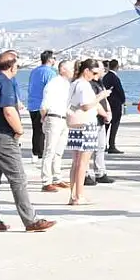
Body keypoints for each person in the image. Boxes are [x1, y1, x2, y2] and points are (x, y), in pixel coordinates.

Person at [0, 51, 56, 233]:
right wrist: (19, 130)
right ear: (12, 67)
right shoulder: (5, 83)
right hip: (2, 137)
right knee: (18, 178)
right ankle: (31, 220)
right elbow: (8, 111)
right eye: (17, 65)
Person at [67, 59, 112, 205]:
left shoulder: (73, 83)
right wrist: (101, 96)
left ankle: (73, 195)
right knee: (83, 162)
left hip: (75, 123)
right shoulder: (84, 85)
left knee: (76, 162)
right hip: (86, 124)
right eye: (93, 73)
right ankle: (79, 195)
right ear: (86, 71)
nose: (94, 76)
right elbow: (86, 105)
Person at [39, 61, 73, 192]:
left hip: (64, 118)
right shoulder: (53, 83)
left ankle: (57, 177)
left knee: (59, 151)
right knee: (50, 150)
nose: (73, 71)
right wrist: (44, 117)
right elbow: (44, 104)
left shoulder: (67, 84)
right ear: (63, 69)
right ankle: (46, 180)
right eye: (70, 68)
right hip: (54, 117)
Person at [86, 64, 115, 185]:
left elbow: (104, 101)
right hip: (93, 119)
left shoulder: (100, 83)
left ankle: (100, 172)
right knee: (88, 148)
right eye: (102, 68)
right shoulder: (90, 84)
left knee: (101, 146)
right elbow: (94, 102)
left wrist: (109, 112)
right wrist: (104, 114)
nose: (104, 70)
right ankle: (86, 173)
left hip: (101, 120)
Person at [26, 50, 57, 163]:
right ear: (50, 59)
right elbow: (52, 90)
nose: (55, 61)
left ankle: (36, 152)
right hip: (43, 105)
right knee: (46, 131)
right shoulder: (51, 73)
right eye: (54, 58)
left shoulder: (34, 71)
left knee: (36, 130)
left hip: (32, 104)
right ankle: (41, 153)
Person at [101, 59, 127, 154]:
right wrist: (123, 100)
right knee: (114, 124)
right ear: (117, 67)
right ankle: (112, 145)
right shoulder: (114, 77)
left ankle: (103, 144)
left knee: (106, 125)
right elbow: (119, 90)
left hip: (107, 103)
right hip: (115, 104)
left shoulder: (106, 77)